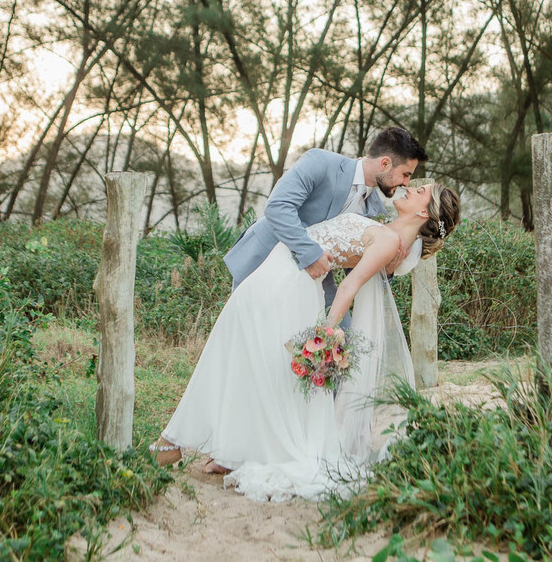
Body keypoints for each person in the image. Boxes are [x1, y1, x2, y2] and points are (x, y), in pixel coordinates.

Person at [149, 181, 461, 502]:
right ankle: (223, 450)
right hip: (282, 273)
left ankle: (172, 443)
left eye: (421, 189)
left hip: (289, 284)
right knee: (244, 355)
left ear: (424, 210)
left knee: (240, 353)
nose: (412, 187)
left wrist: (324, 333)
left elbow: (349, 287)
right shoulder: (388, 236)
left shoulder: (388, 241)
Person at [222, 126, 429, 315]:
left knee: (341, 341)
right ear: (385, 163)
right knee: (249, 338)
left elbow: (356, 268)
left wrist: (388, 270)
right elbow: (278, 207)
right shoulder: (320, 162)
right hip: (264, 259)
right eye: (405, 174)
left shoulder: (375, 209)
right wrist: (311, 255)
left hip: (316, 280)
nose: (406, 183)